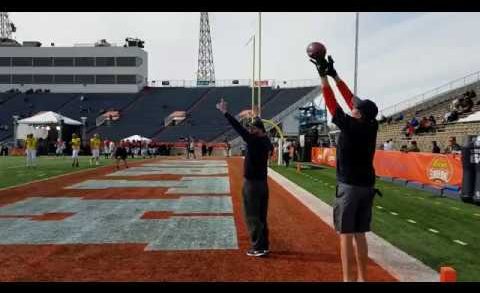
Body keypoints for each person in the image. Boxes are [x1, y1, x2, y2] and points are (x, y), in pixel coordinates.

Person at [311, 54, 379, 282]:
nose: (353, 106)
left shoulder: (350, 125)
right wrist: (335, 76)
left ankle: (348, 280)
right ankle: (363, 279)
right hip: (367, 186)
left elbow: (332, 102)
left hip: (349, 187)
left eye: (357, 108)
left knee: (345, 235)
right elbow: (351, 100)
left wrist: (323, 76)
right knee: (360, 235)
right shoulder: (371, 125)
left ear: (359, 113)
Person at [216, 97, 273, 257]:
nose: (250, 130)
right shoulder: (265, 141)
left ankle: (258, 247)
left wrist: (225, 113)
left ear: (259, 130)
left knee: (252, 216)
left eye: (253, 128)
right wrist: (256, 117)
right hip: (263, 184)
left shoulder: (254, 140)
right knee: (262, 216)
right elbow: (257, 131)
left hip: (253, 184)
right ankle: (264, 244)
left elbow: (238, 128)